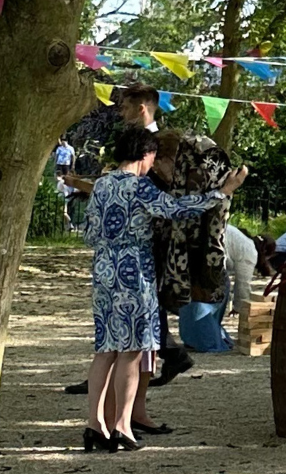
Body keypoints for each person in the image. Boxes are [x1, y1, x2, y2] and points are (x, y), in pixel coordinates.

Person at [78, 126, 246, 451]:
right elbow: (180, 209)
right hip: (134, 274)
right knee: (130, 351)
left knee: (104, 350)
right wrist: (223, 191)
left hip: (102, 271)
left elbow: (89, 234)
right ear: (146, 154)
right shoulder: (140, 188)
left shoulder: (100, 186)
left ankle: (95, 424)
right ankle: (122, 425)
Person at [223, 222, 258, 318]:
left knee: (242, 284)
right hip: (230, 249)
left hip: (242, 252)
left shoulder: (249, 250)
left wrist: (239, 308)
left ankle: (243, 310)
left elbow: (242, 285)